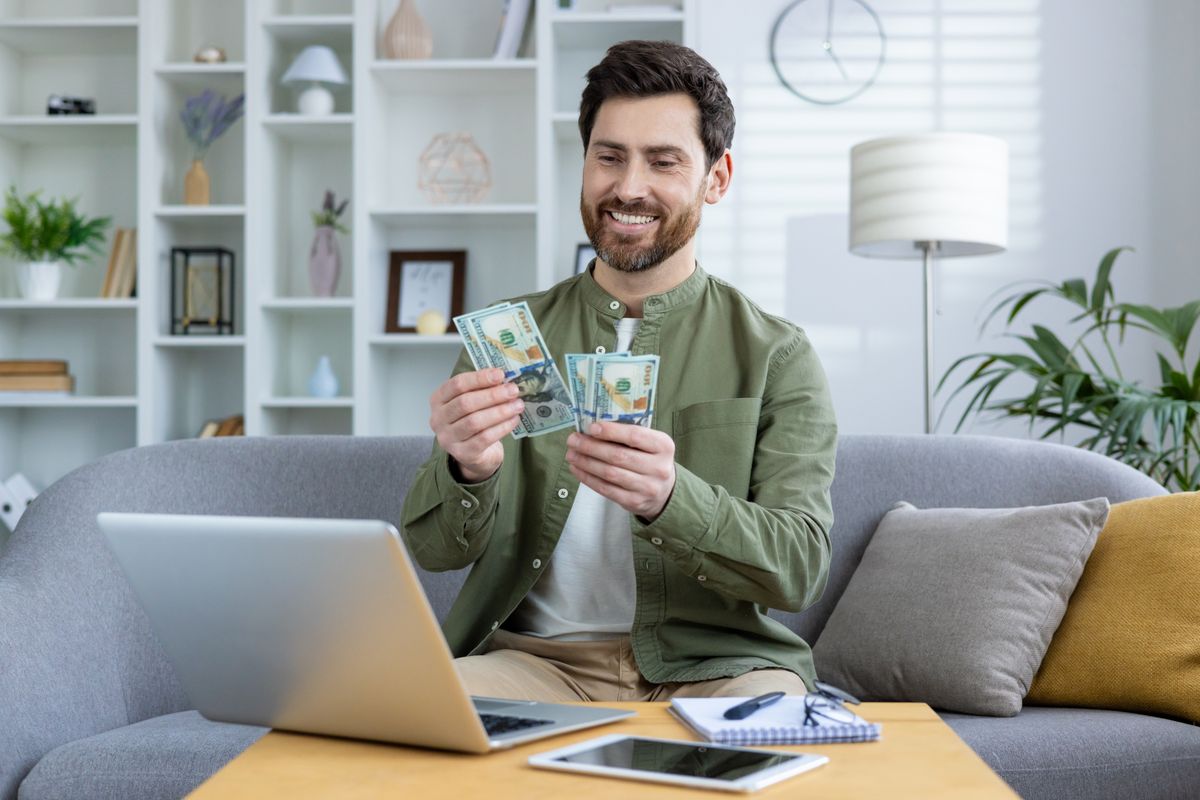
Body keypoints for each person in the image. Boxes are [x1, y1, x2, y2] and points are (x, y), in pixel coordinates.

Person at [401, 40, 837, 702]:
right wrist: (467, 469)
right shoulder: (509, 334)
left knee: (773, 747)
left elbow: (799, 570)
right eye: (609, 157)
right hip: (536, 665)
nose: (628, 187)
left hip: (717, 669)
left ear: (716, 178)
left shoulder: (777, 353)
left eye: (663, 162)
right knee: (414, 712)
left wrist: (671, 499)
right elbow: (435, 552)